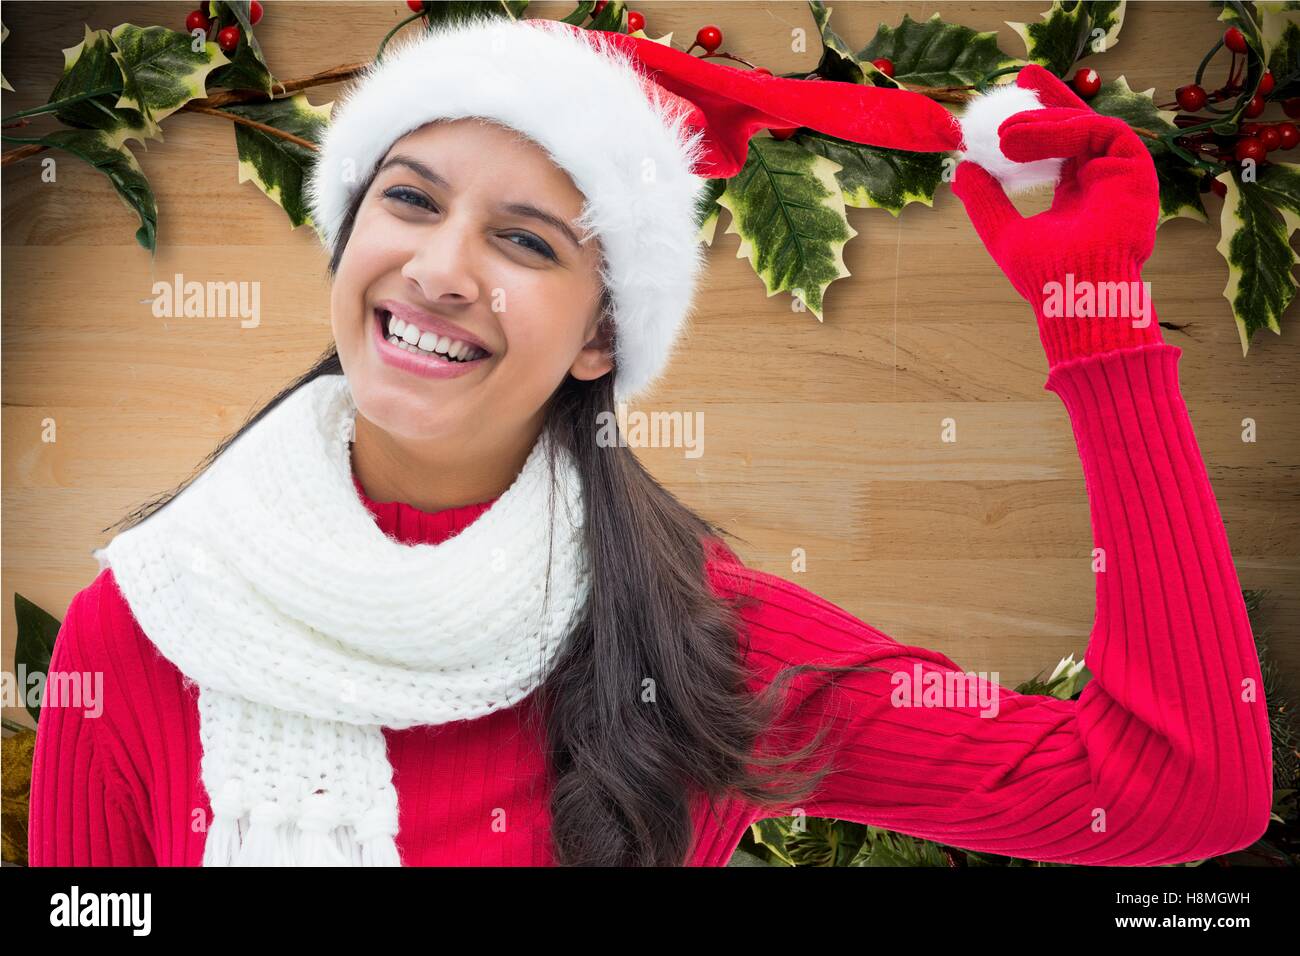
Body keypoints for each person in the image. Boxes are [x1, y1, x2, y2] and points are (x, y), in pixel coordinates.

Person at [28, 14, 1271, 867]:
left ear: (599, 338)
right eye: (407, 198)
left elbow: (1175, 787)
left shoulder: (700, 646)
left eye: (527, 241)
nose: (441, 268)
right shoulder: (145, 623)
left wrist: (1095, 319)